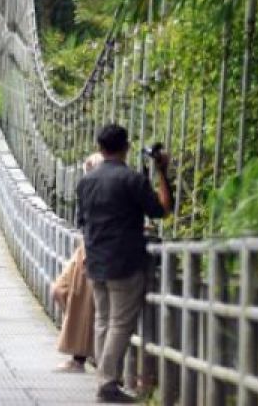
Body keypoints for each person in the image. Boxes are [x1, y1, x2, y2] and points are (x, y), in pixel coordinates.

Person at [77, 124, 172, 404]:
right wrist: (162, 171)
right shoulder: (131, 179)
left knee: (103, 320)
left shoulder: (86, 182)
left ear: (100, 147)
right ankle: (107, 383)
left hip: (95, 262)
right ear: (126, 147)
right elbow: (163, 209)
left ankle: (106, 379)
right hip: (125, 263)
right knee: (120, 324)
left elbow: (81, 222)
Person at [51, 153, 104, 372]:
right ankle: (83, 349)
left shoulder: (106, 191)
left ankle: (80, 357)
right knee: (60, 290)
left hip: (95, 248)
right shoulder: (88, 188)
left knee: (83, 299)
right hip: (86, 245)